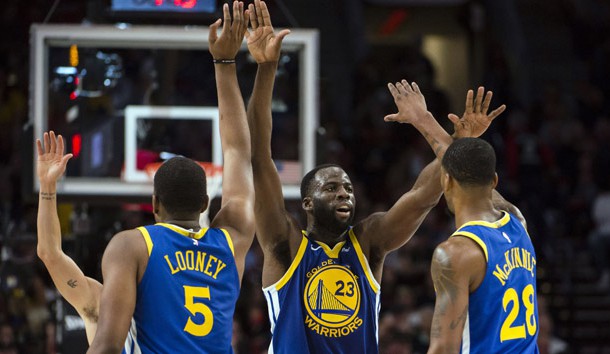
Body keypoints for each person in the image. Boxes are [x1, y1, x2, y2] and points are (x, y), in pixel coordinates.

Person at [245, 1, 507, 352]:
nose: (344, 194)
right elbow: (259, 156)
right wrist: (266, 69)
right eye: (332, 187)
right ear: (307, 202)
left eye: (348, 188)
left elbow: (424, 196)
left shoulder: (368, 242)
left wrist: (462, 143)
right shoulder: (285, 245)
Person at [85, 2, 255, 353]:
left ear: (154, 203)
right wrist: (225, 64)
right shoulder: (233, 239)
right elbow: (238, 150)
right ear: (207, 202)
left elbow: (106, 347)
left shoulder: (131, 246)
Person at [427, 137, 538, 353]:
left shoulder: (455, 253)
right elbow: (476, 175)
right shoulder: (519, 224)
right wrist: (423, 120)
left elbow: (444, 348)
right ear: (495, 180)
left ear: (446, 181)